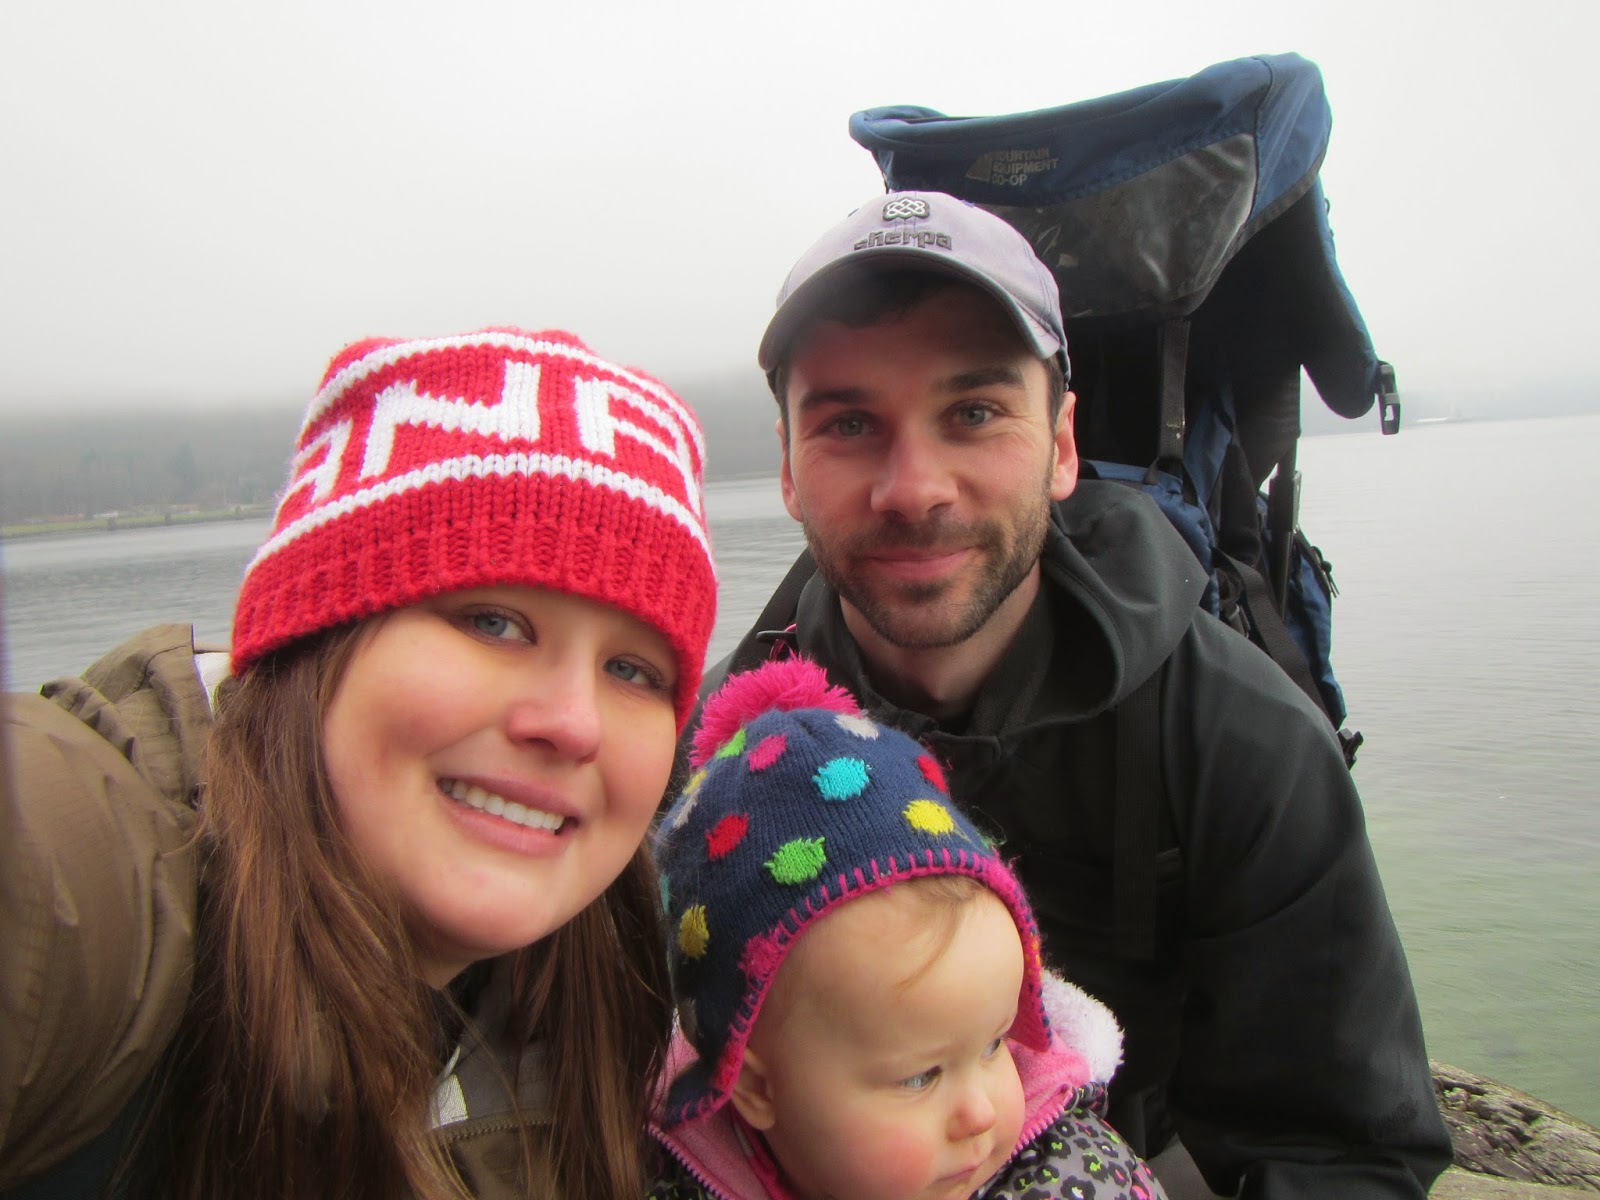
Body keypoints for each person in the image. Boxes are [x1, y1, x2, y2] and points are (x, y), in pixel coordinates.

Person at [709, 193, 1453, 1199]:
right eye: (848, 423)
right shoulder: (720, 753)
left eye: (974, 413)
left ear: (1062, 444)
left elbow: (1343, 1148)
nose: (914, 488)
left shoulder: (1239, 741)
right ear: (790, 470)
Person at [0, 328, 718, 1200]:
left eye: (633, 672)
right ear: (315, 639)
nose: (573, 725)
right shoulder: (84, 874)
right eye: (492, 622)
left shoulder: (608, 986)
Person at [647, 656, 1165, 1200]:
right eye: (921, 1077)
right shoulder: (647, 1171)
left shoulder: (1075, 1177)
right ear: (756, 1087)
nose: (981, 1114)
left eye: (995, 1044)